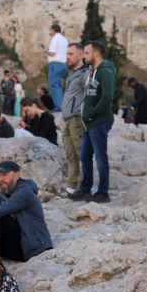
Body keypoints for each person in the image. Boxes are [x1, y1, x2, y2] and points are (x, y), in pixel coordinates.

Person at [69, 40, 116, 204]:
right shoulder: (92, 71)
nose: (84, 56)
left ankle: (103, 192)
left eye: (87, 53)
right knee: (85, 156)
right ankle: (85, 189)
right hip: (89, 123)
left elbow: (107, 98)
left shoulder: (106, 72)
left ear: (96, 53)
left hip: (99, 121)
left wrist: (91, 114)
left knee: (100, 157)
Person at [0, 161, 52, 262]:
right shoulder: (10, 193)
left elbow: (0, 211)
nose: (0, 179)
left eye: (4, 175)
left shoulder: (24, 192)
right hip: (21, 245)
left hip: (36, 247)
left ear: (16, 175)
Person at [61, 43, 88, 195]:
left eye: (71, 54)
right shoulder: (72, 73)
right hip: (67, 119)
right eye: (67, 54)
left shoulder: (85, 73)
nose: (67, 57)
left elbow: (90, 95)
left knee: (81, 154)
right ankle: (71, 187)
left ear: (81, 55)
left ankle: (86, 186)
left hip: (77, 119)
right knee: (71, 155)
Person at [42, 23, 68, 111]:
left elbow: (52, 53)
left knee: (54, 85)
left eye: (50, 30)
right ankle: (61, 105)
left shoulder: (55, 39)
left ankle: (59, 106)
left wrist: (46, 51)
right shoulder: (64, 39)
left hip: (55, 64)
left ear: (53, 30)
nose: (50, 31)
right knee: (59, 86)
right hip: (63, 64)